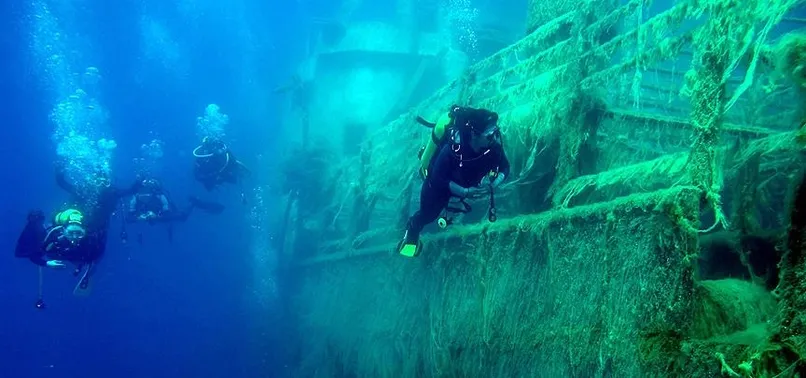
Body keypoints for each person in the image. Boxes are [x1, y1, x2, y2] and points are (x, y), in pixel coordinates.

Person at [398, 105, 511, 257]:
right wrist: (464, 191)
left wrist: (494, 184)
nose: (495, 138)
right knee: (428, 215)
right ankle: (411, 232)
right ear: (474, 134)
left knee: (453, 208)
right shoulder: (453, 149)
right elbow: (437, 178)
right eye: (490, 135)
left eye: (496, 132)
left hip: (465, 184)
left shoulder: (493, 148)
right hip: (439, 187)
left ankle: (454, 204)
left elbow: (505, 167)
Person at [14, 167, 143, 299]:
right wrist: (60, 171)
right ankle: (79, 257)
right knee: (72, 239)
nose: (100, 184)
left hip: (94, 226)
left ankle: (86, 262)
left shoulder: (112, 192)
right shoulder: (82, 190)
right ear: (92, 180)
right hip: (78, 224)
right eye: (97, 180)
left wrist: (139, 181)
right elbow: (62, 183)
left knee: (95, 246)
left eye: (103, 181)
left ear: (107, 182)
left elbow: (131, 191)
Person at [124, 177, 224, 242]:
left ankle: (193, 203)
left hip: (164, 213)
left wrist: (156, 216)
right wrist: (139, 217)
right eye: (143, 193)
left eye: (148, 193)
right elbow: (128, 218)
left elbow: (168, 213)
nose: (145, 196)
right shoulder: (136, 198)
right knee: (171, 222)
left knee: (183, 217)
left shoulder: (160, 196)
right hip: (155, 216)